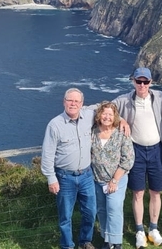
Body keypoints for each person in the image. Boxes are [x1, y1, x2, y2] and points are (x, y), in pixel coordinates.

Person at [113, 67, 162, 248]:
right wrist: (119, 119)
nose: (142, 85)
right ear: (133, 82)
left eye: (146, 82)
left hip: (157, 150)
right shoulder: (124, 100)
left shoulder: (160, 97)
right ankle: (139, 231)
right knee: (137, 192)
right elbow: (104, 108)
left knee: (155, 192)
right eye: (139, 81)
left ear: (151, 82)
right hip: (135, 150)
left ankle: (153, 229)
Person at [41, 88, 97, 249]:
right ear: (64, 102)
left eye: (76, 101)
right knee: (65, 216)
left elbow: (107, 109)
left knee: (90, 212)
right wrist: (51, 178)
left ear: (82, 104)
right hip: (64, 177)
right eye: (69, 100)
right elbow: (47, 154)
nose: (73, 104)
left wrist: (121, 120)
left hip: (86, 175)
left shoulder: (89, 115)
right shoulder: (55, 125)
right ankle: (67, 245)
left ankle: (85, 241)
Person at [92, 101, 135, 249]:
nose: (107, 117)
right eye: (104, 113)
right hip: (97, 180)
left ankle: (116, 242)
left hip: (118, 179)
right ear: (99, 115)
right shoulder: (93, 132)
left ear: (115, 117)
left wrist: (115, 180)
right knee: (101, 209)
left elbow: (128, 159)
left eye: (110, 114)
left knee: (114, 208)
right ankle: (106, 239)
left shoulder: (121, 133)